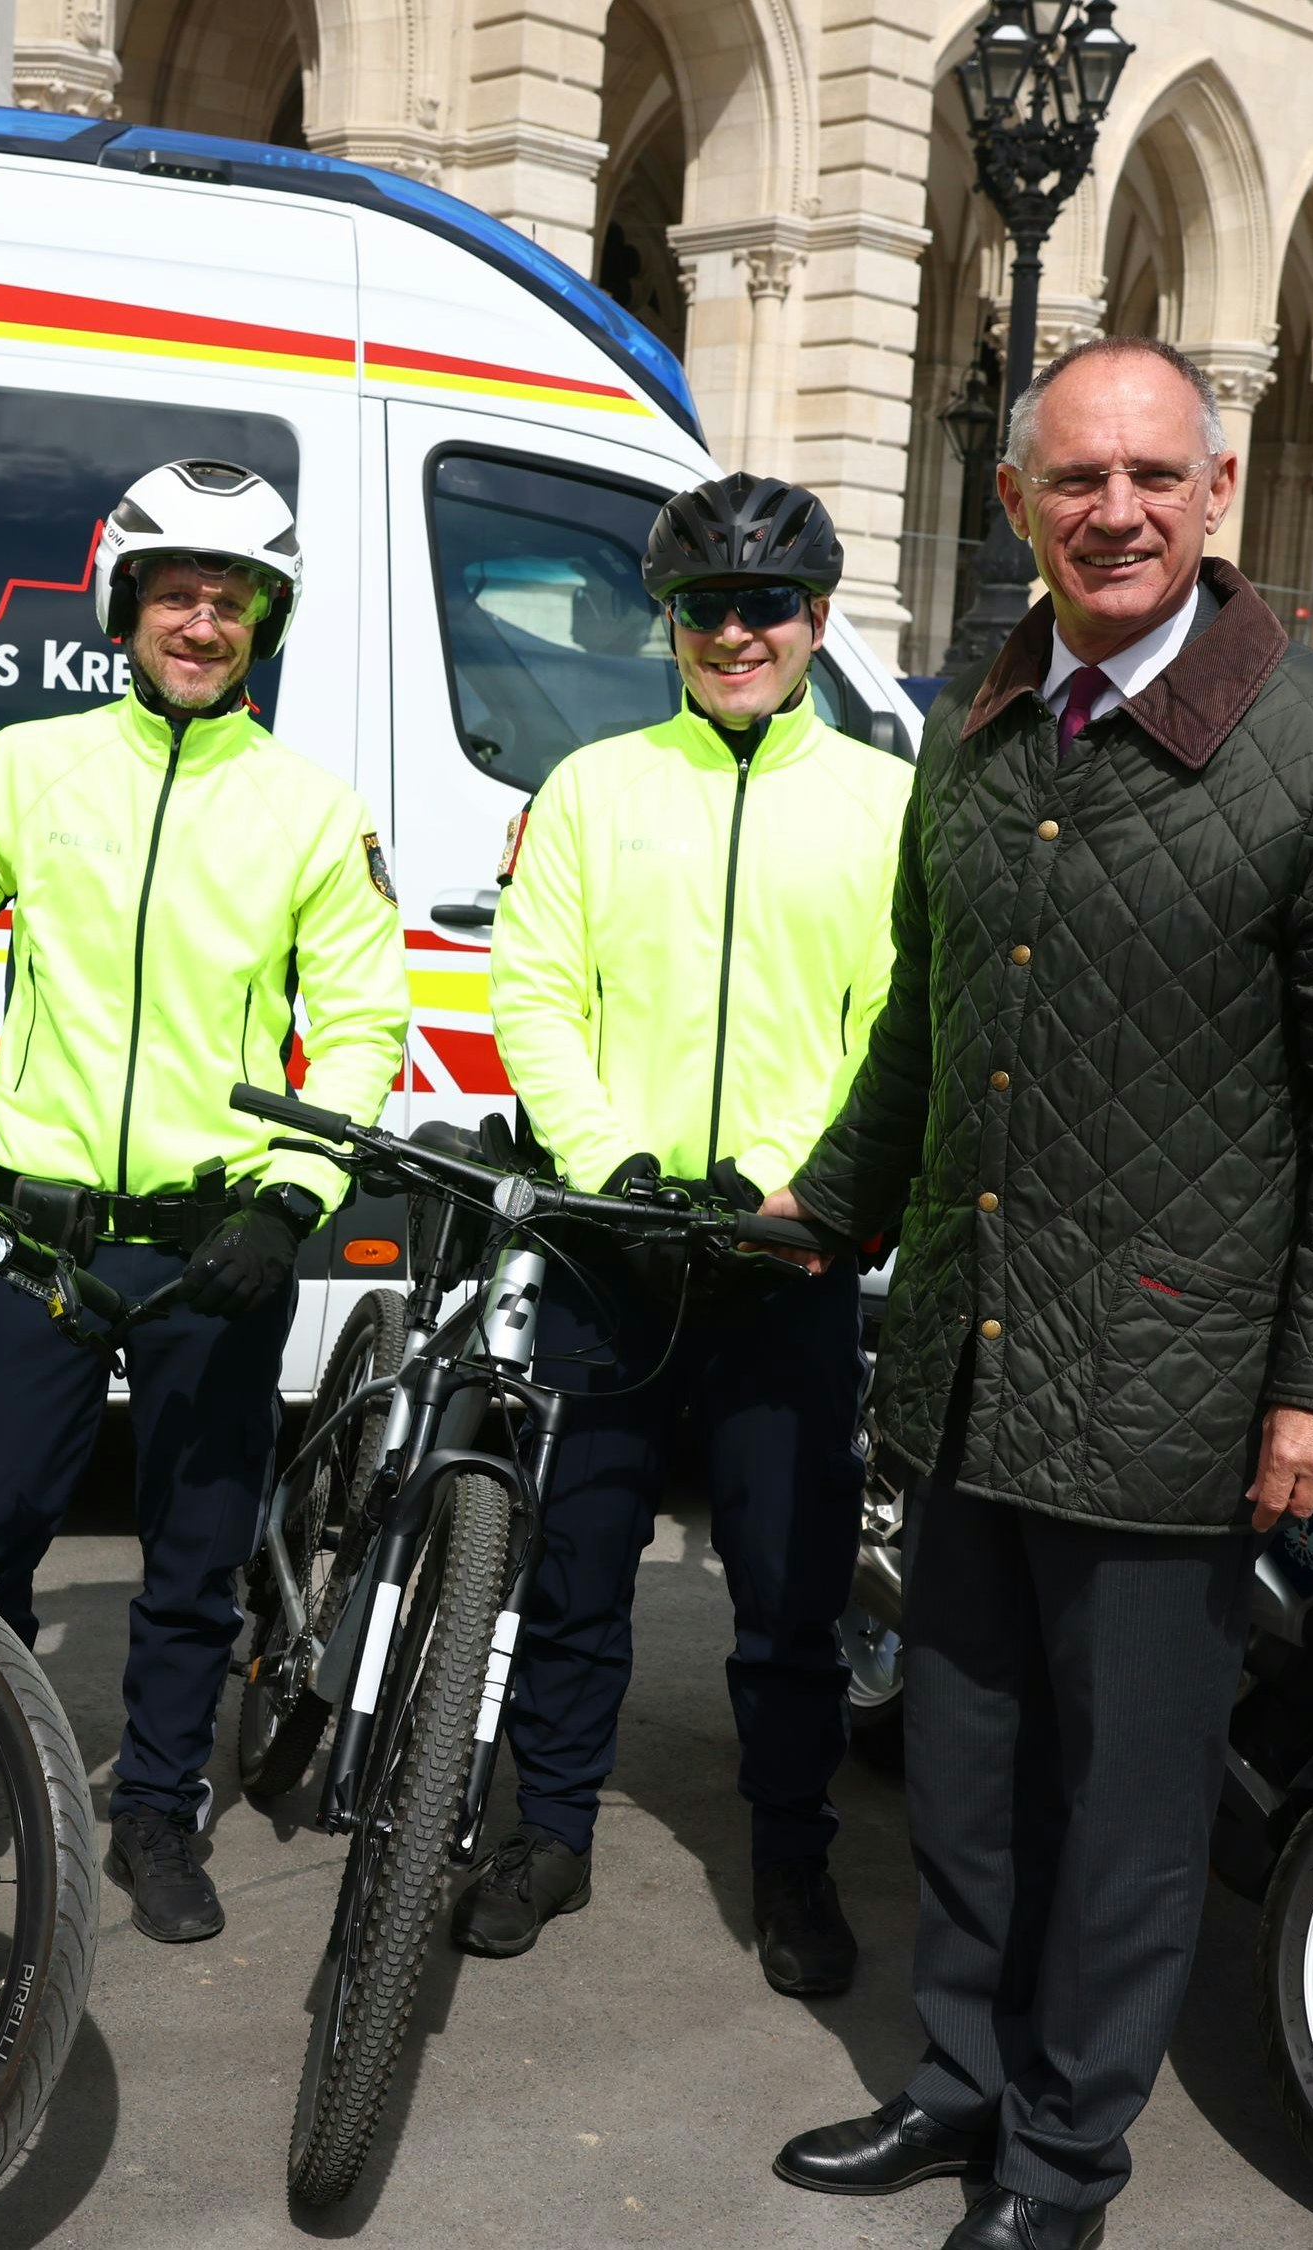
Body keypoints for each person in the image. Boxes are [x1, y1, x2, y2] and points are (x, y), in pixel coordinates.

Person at [771, 337, 1313, 2250]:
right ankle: (962, 2085)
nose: (1118, 511)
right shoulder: (977, 721)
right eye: (1078, 479)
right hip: (977, 1365)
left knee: (1129, 1822)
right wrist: (826, 1203)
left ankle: (1065, 2162)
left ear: (1217, 493)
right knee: (971, 1778)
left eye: (1157, 475)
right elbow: (932, 1015)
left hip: (1179, 1386)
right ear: (1019, 506)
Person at [0, 458, 409, 1944]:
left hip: (214, 1244)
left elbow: (360, 1025)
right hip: (37, 1227)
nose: (202, 620)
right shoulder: (30, 765)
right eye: (177, 591)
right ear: (127, 604)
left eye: (232, 600)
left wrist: (293, 1200)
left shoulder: (310, 808)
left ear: (264, 623)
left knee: (197, 1553)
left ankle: (159, 1811)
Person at [456, 472, 905, 1996]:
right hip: (613, 1248)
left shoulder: (882, 800)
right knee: (574, 1563)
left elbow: (892, 1026)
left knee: (790, 1595)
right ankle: (553, 1826)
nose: (734, 631)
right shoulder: (593, 788)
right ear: (669, 622)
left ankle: (790, 1856)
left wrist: (786, 1183)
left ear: (815, 621)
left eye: (765, 605)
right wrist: (615, 1161)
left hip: (784, 1255)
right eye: (705, 606)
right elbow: (535, 993)